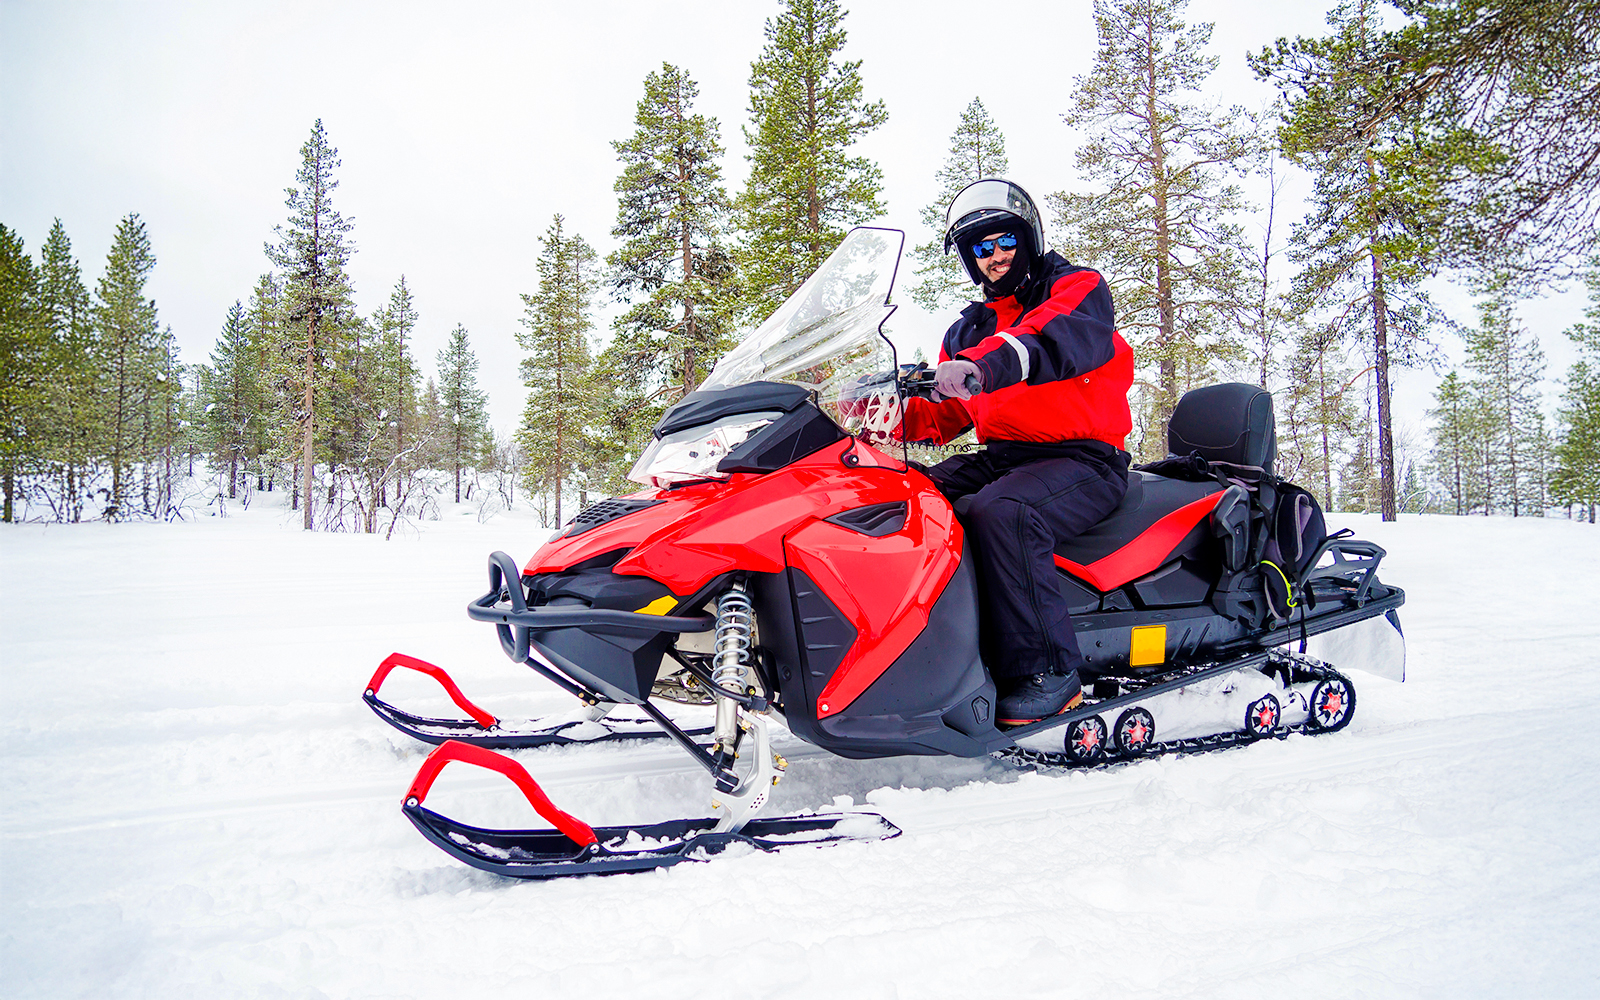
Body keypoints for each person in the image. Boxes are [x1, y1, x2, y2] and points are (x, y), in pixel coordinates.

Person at [902, 178, 1135, 725]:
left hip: (1083, 459)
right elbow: (943, 413)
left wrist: (983, 367)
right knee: (911, 495)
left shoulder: (1075, 291)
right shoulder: (969, 329)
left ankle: (1049, 671)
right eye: (980, 249)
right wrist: (874, 412)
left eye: (1004, 241)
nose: (995, 257)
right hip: (1006, 455)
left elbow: (1045, 341)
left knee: (1004, 511)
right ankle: (930, 654)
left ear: (1027, 238)